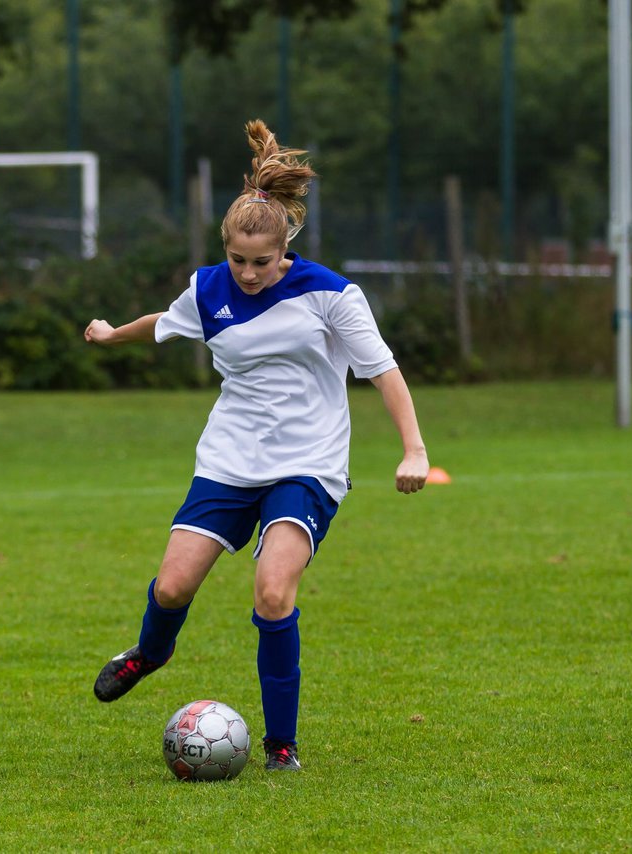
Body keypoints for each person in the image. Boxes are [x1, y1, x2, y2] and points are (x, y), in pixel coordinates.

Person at [83, 119, 430, 770]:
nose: (246, 274)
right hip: (229, 460)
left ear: (285, 248)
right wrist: (110, 335)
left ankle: (280, 747)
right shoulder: (209, 287)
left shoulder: (331, 295)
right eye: (237, 260)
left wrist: (414, 450)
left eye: (260, 263)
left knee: (273, 592)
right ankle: (149, 653)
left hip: (308, 464)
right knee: (171, 589)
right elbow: (167, 321)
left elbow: (383, 370)